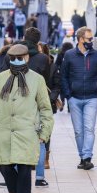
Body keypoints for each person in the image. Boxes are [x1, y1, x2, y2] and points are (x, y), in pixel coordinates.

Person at [0, 44, 54, 193]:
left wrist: (44, 132)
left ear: (27, 58)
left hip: (27, 129)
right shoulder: (0, 79)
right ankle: (14, 191)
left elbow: (45, 108)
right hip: (2, 129)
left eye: (20, 58)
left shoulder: (37, 79)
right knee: (4, 164)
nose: (16, 61)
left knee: (24, 167)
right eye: (13, 59)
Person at [61, 27, 97, 170]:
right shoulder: (69, 55)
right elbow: (63, 76)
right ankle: (82, 157)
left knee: (89, 128)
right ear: (80, 39)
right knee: (78, 130)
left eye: (92, 39)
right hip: (74, 98)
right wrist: (68, 95)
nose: (91, 41)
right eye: (89, 39)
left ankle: (87, 157)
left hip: (91, 97)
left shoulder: (96, 56)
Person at [38, 42, 61, 170]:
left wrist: (51, 99)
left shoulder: (52, 66)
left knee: (46, 131)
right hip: (33, 103)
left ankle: (45, 158)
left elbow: (57, 85)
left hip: (48, 103)